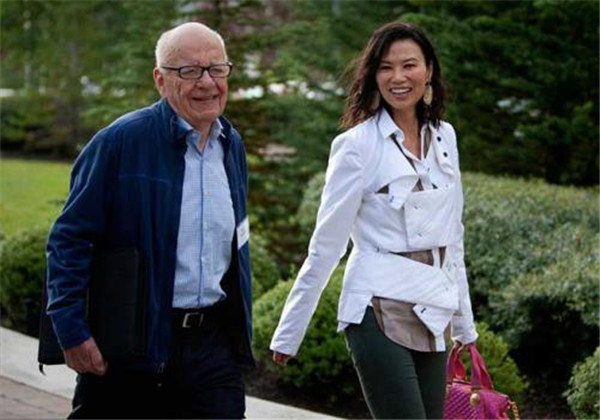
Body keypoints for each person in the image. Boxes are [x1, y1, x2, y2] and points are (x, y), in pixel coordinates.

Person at [270, 21, 478, 419]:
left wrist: (464, 326)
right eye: (386, 67)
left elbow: (453, 240)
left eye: (409, 65)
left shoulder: (445, 137)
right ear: (373, 76)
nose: (398, 77)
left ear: (429, 71)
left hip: (434, 308)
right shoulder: (355, 146)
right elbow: (326, 245)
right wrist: (290, 333)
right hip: (376, 306)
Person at [45, 22, 253, 419]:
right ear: (160, 80)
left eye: (217, 69)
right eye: (189, 71)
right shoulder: (120, 142)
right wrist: (70, 330)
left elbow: (236, 243)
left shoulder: (231, 145)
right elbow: (69, 239)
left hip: (211, 346)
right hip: (131, 345)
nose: (207, 82)